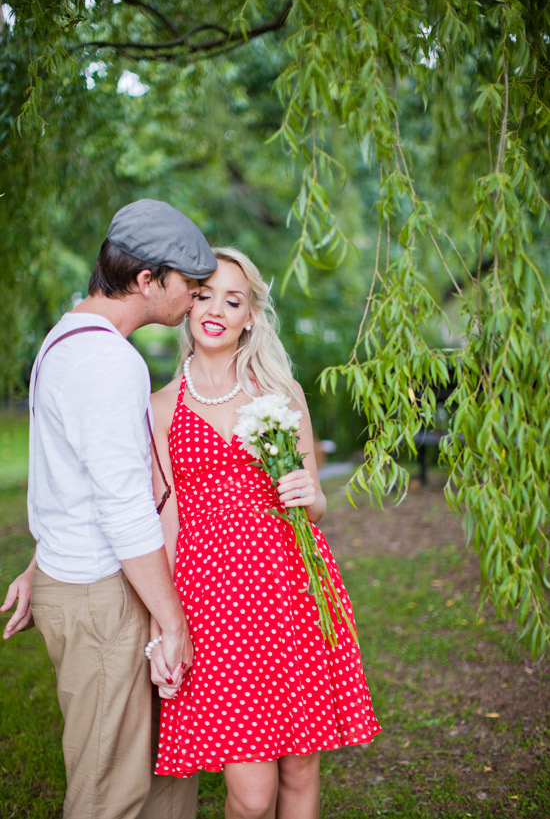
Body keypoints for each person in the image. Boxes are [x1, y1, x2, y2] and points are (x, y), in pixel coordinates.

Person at [0, 198, 217, 819]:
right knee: (109, 793)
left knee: (164, 776)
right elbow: (123, 509)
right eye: (191, 287)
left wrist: (38, 562)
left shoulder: (73, 339)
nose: (196, 301)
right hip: (105, 593)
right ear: (148, 280)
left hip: (100, 580)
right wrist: (172, 621)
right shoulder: (105, 360)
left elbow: (68, 479)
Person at [148, 247, 382, 819]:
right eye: (204, 295)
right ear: (186, 305)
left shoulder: (281, 394)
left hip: (291, 592)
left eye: (233, 300)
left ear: (250, 315)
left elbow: (314, 500)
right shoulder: (159, 407)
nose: (217, 311)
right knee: (251, 797)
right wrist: (165, 620)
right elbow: (165, 514)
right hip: (214, 607)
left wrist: (313, 495)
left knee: (300, 768)